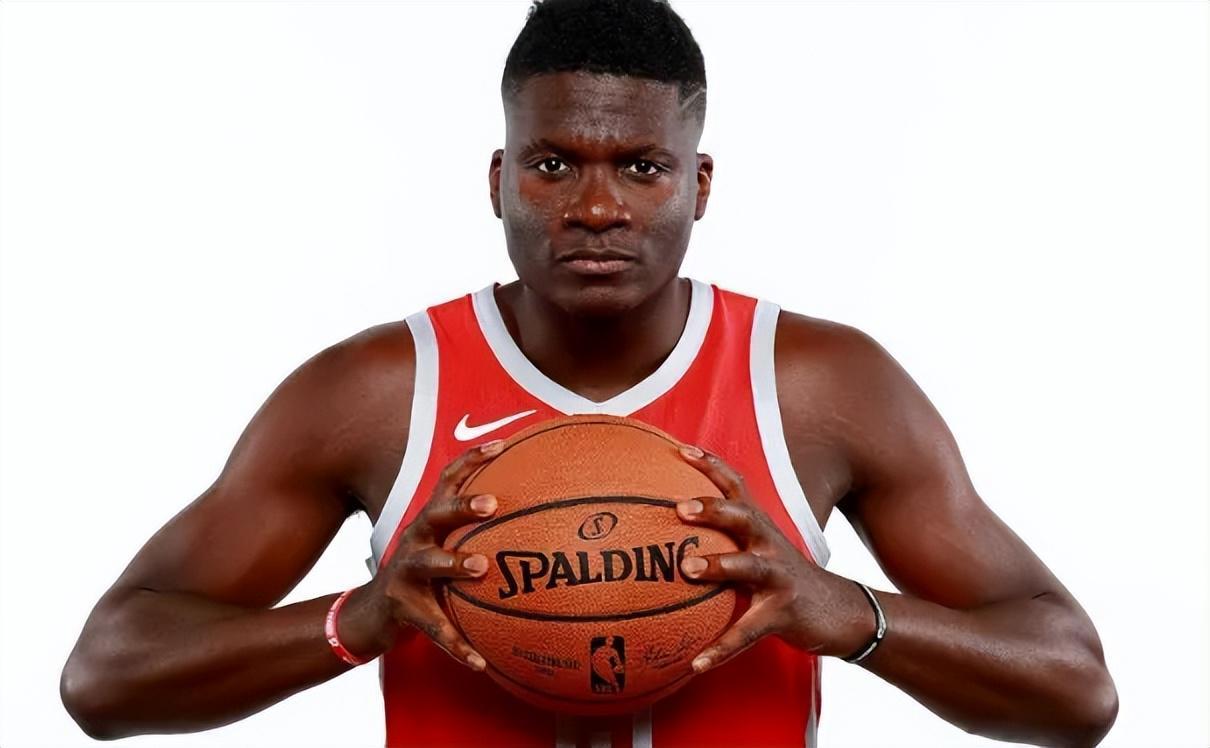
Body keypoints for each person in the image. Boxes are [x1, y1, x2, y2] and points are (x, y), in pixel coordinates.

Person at [59, 0, 1118, 746]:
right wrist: (359, 618)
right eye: (554, 164)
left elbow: (1075, 689)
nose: (598, 207)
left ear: (699, 184)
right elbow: (106, 674)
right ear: (499, 179)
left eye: (642, 168)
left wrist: (849, 613)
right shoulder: (375, 393)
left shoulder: (819, 385)